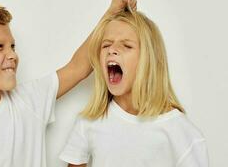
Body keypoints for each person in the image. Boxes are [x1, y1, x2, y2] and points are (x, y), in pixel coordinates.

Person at [0, 0, 136, 167]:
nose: (12, 55)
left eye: (13, 46)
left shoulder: (28, 101)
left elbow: (78, 67)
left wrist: (111, 14)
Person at [59, 10, 209, 167]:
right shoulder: (90, 121)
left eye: (127, 46)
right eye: (106, 44)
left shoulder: (181, 131)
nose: (112, 50)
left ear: (149, 59)